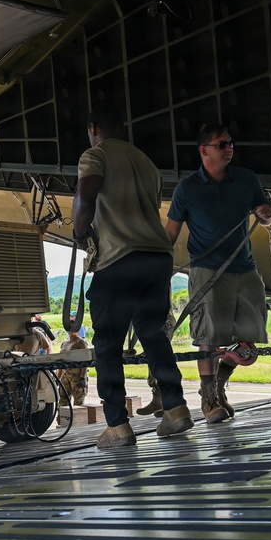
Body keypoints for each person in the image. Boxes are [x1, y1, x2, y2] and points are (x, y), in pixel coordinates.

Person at [71, 104, 192, 449]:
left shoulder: (95, 155)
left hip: (119, 258)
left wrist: (80, 233)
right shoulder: (146, 163)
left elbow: (85, 198)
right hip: (157, 258)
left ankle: (117, 425)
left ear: (93, 129)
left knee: (108, 342)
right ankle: (175, 408)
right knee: (153, 334)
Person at [165, 123, 271, 423]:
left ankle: (220, 383)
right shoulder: (187, 189)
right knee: (209, 338)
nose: (229, 149)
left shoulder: (246, 179)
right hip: (207, 272)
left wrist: (269, 215)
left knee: (248, 346)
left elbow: (265, 216)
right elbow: (170, 233)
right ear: (204, 150)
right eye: (222, 144)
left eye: (230, 143)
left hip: (245, 268)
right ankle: (209, 399)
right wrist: (157, 269)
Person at [56, 329, 89, 406]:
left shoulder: (80, 342)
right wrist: (58, 377)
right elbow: (60, 361)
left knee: (78, 401)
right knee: (63, 400)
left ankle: (78, 415)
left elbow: (85, 360)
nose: (71, 331)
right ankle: (64, 414)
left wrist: (82, 377)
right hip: (65, 374)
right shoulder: (64, 343)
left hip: (77, 375)